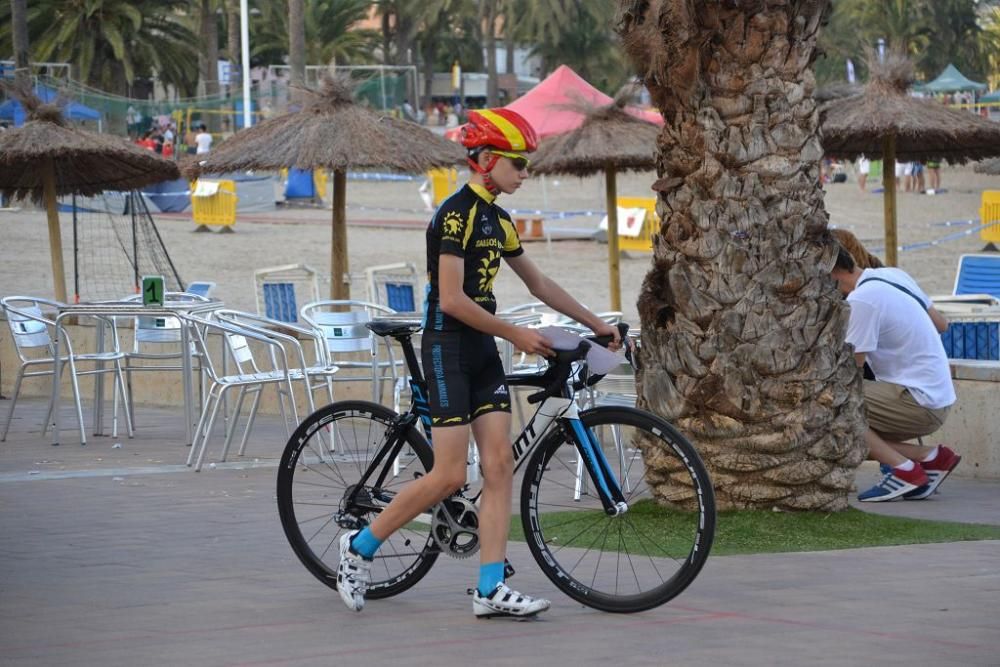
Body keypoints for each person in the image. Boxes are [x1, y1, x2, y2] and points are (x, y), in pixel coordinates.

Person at [335, 108, 622, 618]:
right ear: (487, 160)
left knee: (498, 466)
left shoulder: (498, 217)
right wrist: (516, 333)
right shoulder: (456, 213)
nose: (525, 172)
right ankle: (359, 548)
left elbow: (540, 284)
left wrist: (597, 323)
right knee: (447, 475)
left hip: (483, 351)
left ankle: (490, 588)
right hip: (448, 348)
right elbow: (450, 299)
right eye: (518, 163)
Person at [830, 246, 961, 502]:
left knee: (828, 409)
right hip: (938, 396)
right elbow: (941, 324)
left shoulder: (862, 300)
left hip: (914, 401)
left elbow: (850, 369)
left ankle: (905, 471)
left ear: (830, 274)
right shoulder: (892, 275)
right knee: (840, 431)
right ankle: (931, 457)